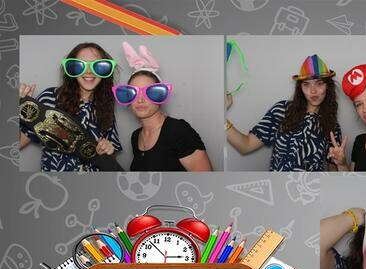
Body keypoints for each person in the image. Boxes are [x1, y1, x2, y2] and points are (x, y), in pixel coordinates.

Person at [225, 54, 342, 171]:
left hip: (314, 183)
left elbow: (333, 171)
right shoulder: (281, 110)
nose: (313, 91)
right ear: (300, 88)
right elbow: (246, 145)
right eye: (306, 84)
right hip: (278, 182)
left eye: (319, 83)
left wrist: (342, 163)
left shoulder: (332, 125)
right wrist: (221, 115)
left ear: (328, 86)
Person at [19, 42, 121, 171]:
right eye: (80, 66)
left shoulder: (105, 107)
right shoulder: (51, 97)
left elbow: (111, 162)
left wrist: (108, 150)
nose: (89, 71)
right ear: (71, 69)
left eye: (97, 66)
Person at [114, 42, 212, 171]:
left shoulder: (178, 131)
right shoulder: (135, 137)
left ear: (161, 96)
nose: (140, 100)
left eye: (150, 92)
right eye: (133, 93)